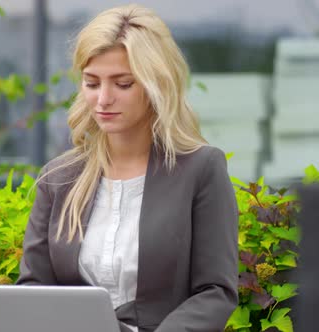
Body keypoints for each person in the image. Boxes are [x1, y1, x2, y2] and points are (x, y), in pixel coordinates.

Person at [16, 4, 239, 332]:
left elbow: (216, 292)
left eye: (122, 84)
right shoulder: (59, 177)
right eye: (92, 83)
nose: (103, 99)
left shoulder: (201, 169)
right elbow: (32, 288)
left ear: (155, 86)